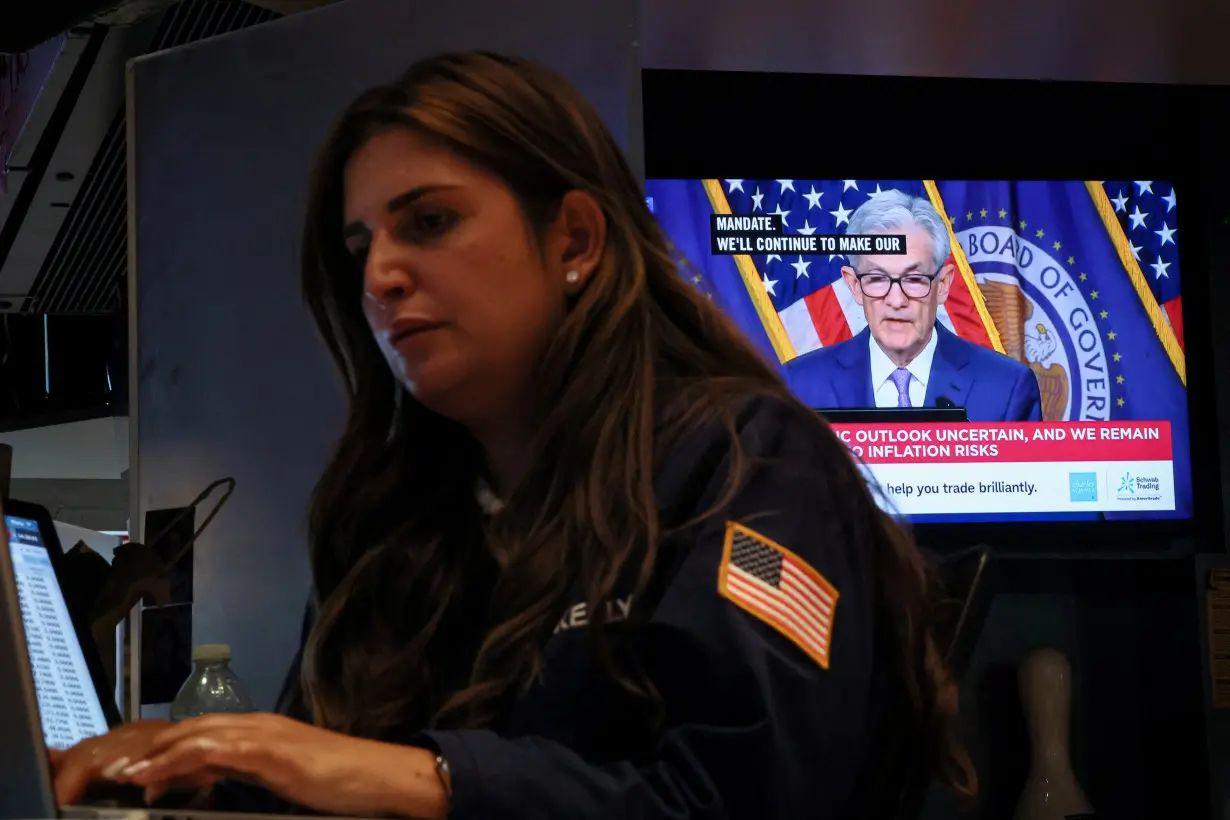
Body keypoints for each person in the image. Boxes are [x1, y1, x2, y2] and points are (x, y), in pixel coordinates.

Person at [51, 53, 976, 819]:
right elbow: (330, 786)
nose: (380, 275)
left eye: (431, 222)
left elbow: (746, 801)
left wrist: (427, 777)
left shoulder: (746, 465)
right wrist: (201, 779)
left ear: (575, 239)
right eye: (360, 245)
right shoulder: (391, 523)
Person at [785, 190, 1043, 422]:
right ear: (854, 285)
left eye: (914, 279)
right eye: (877, 279)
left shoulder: (1006, 388)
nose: (896, 301)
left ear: (942, 285)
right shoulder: (800, 386)